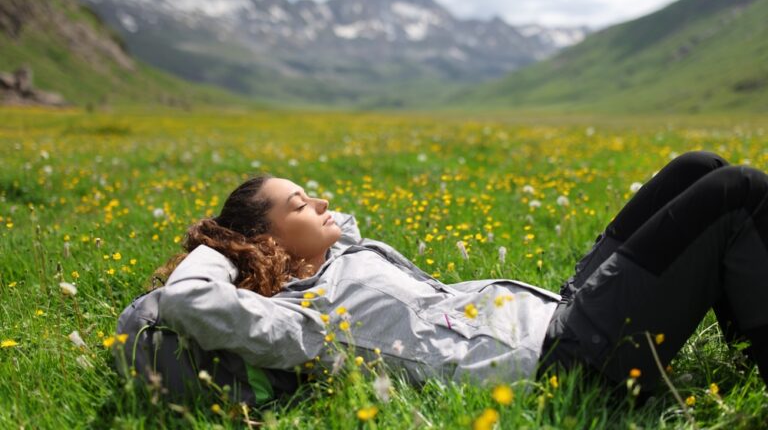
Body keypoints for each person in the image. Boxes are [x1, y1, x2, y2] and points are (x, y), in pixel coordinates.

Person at [116, 150, 768, 404]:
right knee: (738, 193)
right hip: (570, 361)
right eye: (299, 203)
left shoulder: (340, 256)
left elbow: (336, 220)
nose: (319, 203)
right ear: (262, 242)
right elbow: (189, 300)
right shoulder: (301, 321)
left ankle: (745, 345)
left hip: (563, 311)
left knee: (695, 167)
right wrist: (221, 246)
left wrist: (295, 221)